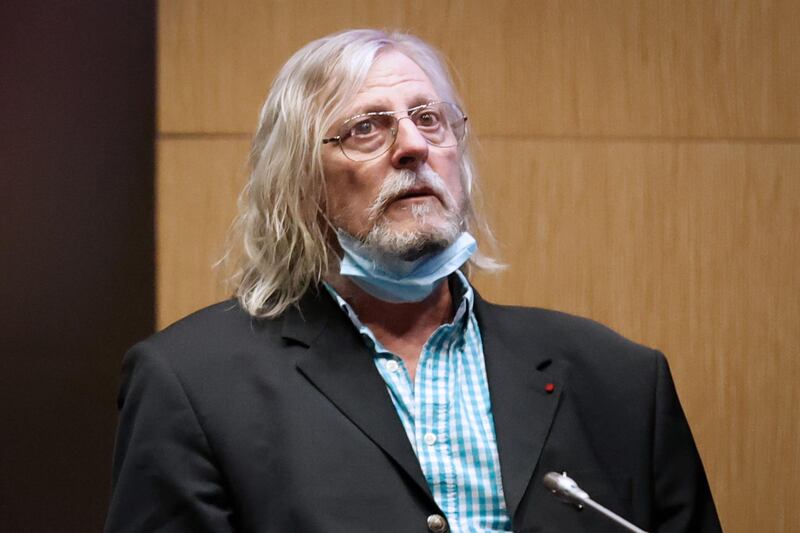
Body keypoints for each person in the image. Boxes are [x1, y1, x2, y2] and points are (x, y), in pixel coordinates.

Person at [105, 29, 721, 532]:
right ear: (295, 185)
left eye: (430, 119)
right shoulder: (191, 385)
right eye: (367, 127)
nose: (413, 146)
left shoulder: (622, 380)